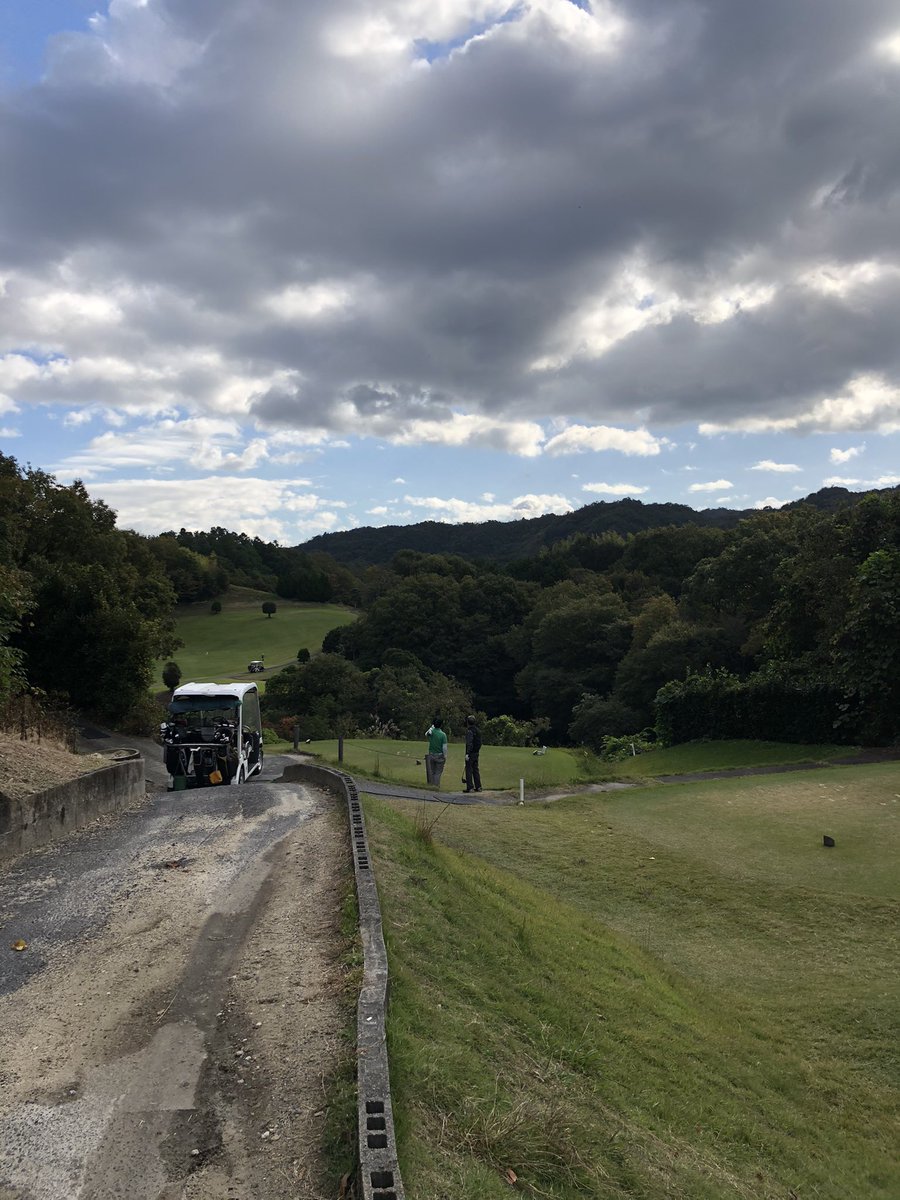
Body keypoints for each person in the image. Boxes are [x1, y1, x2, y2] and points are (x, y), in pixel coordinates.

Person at [424, 717, 448, 788]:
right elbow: (444, 747)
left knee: (432, 771)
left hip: (431, 754)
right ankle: (436, 786)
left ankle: (431, 785)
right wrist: (445, 756)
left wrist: (431, 727)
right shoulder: (443, 735)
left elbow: (426, 734)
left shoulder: (432, 732)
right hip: (439, 755)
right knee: (437, 773)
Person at [463, 715, 482, 793]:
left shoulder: (469, 731)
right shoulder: (478, 731)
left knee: (469, 770)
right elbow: (480, 743)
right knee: (475, 770)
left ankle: (470, 787)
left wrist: (467, 753)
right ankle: (478, 786)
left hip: (471, 753)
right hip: (476, 752)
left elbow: (469, 743)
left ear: (468, 722)